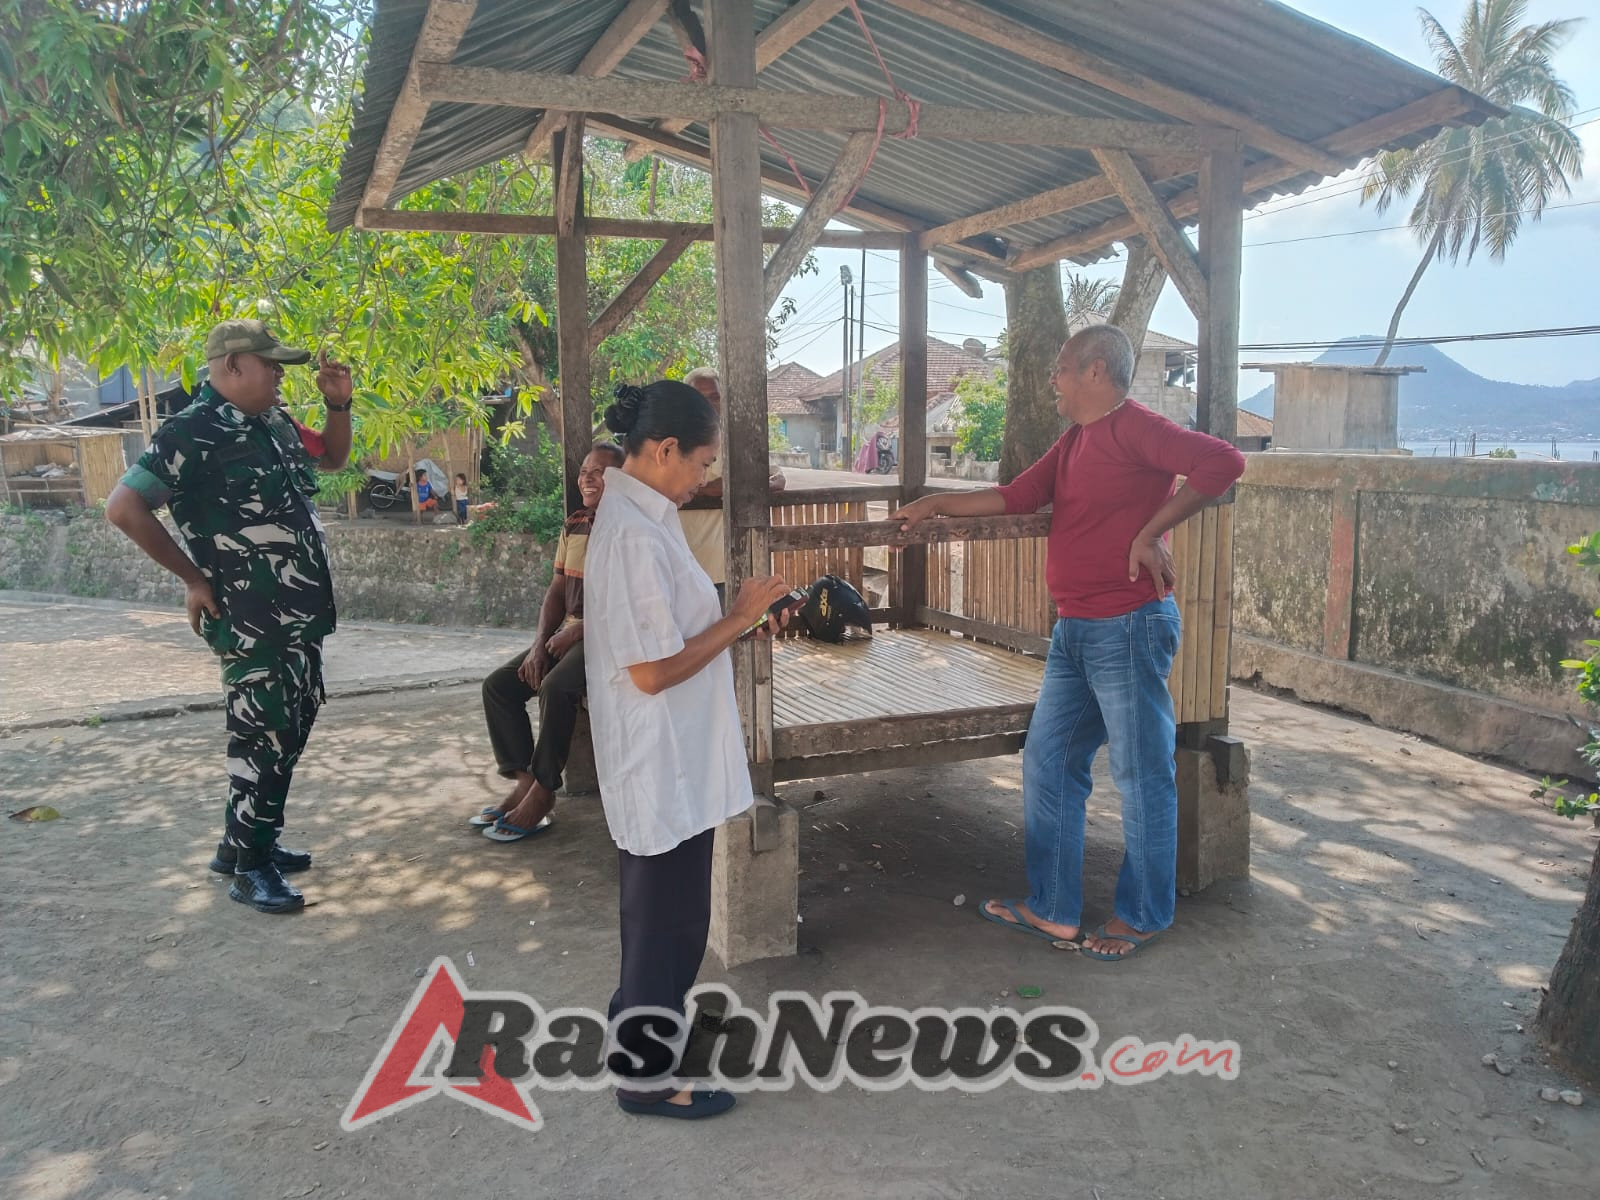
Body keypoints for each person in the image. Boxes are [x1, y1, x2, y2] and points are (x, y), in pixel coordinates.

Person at [896, 325, 1246, 961]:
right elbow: (1019, 495)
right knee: (1049, 761)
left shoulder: (1136, 425)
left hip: (1130, 627)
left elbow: (1224, 462)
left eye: (1060, 369)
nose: (1051, 380)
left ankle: (1142, 916)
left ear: (1094, 372)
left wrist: (1152, 531)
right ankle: (1053, 909)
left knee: (1142, 776)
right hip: (1076, 631)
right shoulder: (1077, 440)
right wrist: (936, 503)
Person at [585, 379, 792, 1119]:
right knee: (665, 927)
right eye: (703, 461)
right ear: (665, 449)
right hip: (659, 761)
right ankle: (646, 1079)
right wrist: (737, 620)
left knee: (664, 922)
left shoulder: (648, 513)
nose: (707, 477)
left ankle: (638, 1036)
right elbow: (651, 671)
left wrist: (735, 615)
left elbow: (670, 625)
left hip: (674, 758)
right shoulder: (635, 534)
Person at [105, 318, 354, 915]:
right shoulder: (190, 431)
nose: (278, 375)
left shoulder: (274, 423)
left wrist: (338, 405)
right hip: (250, 617)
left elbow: (335, 459)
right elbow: (123, 507)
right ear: (232, 366)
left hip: (298, 614)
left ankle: (243, 840)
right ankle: (251, 868)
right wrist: (193, 577)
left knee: (288, 727)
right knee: (264, 735)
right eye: (270, 365)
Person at [471, 443, 624, 842]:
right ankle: (523, 780)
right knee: (499, 687)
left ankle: (542, 791)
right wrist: (540, 642)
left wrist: (579, 630)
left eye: (599, 471)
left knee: (556, 688)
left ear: (623, 480)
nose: (587, 478)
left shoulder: (628, 528)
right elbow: (557, 590)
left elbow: (629, 603)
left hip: (608, 636)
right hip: (566, 633)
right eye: (584, 471)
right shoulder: (575, 523)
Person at [678, 366, 786, 603]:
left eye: (715, 397)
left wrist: (746, 486)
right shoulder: (674, 441)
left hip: (726, 565)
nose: (709, 403)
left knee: (731, 633)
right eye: (700, 397)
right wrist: (714, 488)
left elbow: (777, 479)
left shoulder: (737, 441)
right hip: (683, 565)